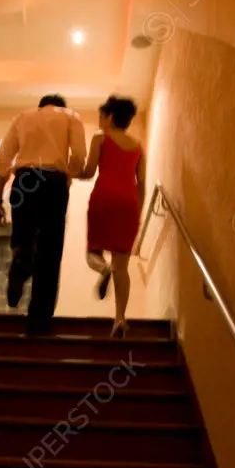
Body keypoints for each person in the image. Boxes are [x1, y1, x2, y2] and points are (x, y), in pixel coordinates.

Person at [0, 94, 87, 335]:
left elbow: (3, 158)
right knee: (50, 250)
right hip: (53, 182)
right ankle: (39, 320)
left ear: (41, 105)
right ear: (61, 105)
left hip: (24, 180)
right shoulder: (71, 117)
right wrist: (69, 177)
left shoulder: (23, 117)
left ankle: (21, 262)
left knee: (23, 236)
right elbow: (78, 155)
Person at [78, 95, 145, 338]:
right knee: (122, 267)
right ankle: (119, 319)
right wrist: (137, 213)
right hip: (128, 206)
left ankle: (103, 270)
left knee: (92, 253)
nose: (99, 121)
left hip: (104, 200)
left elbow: (88, 172)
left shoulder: (100, 138)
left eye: (100, 117)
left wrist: (68, 170)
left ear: (110, 116)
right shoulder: (138, 146)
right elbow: (142, 184)